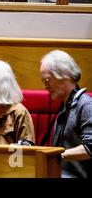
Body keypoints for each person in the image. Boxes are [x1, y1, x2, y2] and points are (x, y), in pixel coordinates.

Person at [40, 50, 92, 178]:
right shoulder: (65, 105)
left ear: (63, 75)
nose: (45, 86)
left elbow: (90, 148)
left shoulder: (85, 105)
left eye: (47, 80)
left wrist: (55, 155)